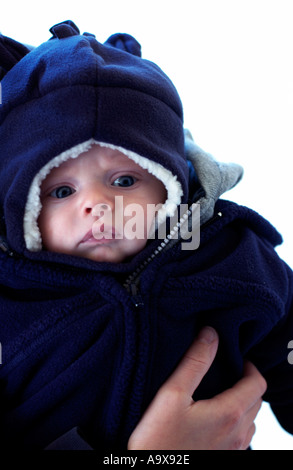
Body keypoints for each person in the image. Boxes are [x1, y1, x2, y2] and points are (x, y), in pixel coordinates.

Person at [0, 20, 291, 450]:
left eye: (123, 181)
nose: (97, 204)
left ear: (172, 185)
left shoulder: (229, 257)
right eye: (61, 191)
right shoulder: (11, 298)